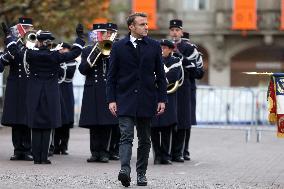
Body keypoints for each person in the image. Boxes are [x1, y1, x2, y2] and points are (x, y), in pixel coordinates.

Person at [5, 25, 85, 164]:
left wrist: (8, 36)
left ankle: (36, 158)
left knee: (35, 125)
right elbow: (75, 53)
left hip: (34, 93)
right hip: (51, 93)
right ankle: (44, 157)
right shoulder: (55, 56)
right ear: (49, 43)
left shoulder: (30, 54)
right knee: (48, 124)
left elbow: (14, 50)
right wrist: (79, 37)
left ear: (39, 42)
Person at [106, 12, 167, 187]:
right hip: (124, 99)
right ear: (131, 27)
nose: (146, 27)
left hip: (147, 99)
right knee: (126, 136)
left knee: (145, 139)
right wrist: (111, 99)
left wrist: (162, 99)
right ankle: (125, 170)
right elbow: (111, 77)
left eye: (146, 24)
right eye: (142, 24)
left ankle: (141, 173)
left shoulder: (154, 46)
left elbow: (161, 76)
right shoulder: (118, 47)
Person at [79, 23, 118, 163]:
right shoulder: (87, 50)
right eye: (99, 34)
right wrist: (96, 52)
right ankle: (94, 152)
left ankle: (105, 152)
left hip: (106, 90)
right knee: (94, 123)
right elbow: (83, 69)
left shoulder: (112, 50)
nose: (101, 36)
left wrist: (106, 53)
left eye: (103, 33)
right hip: (92, 90)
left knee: (106, 123)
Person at [168, 19, 204, 162]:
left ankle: (182, 151)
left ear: (181, 32)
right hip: (170, 89)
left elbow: (198, 72)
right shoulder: (165, 46)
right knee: (170, 121)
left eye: (177, 30)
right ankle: (169, 151)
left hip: (185, 89)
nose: (175, 32)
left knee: (184, 121)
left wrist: (181, 57)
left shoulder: (189, 48)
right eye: (172, 30)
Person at [1, 17, 34, 161]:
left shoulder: (32, 42)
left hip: (28, 85)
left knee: (26, 118)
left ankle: (26, 149)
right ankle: (17, 149)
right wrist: (9, 39)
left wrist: (10, 39)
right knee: (15, 118)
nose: (26, 31)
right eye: (23, 28)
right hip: (15, 86)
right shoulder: (12, 45)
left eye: (27, 28)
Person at [151, 39, 182, 165]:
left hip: (168, 97)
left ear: (170, 49)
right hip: (153, 97)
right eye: (161, 47)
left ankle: (166, 155)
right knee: (153, 129)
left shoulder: (175, 61)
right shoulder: (152, 60)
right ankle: (157, 156)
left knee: (166, 128)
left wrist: (158, 80)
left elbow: (174, 76)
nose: (162, 50)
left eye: (165, 48)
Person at [182, 31, 204, 161]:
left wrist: (189, 65)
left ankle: (185, 149)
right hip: (174, 90)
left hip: (188, 89)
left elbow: (200, 73)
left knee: (187, 121)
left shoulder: (193, 53)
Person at [53, 42, 77, 155]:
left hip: (66, 92)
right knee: (57, 119)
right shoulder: (56, 60)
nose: (62, 51)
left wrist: (58, 63)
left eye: (65, 49)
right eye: (60, 49)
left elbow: (67, 74)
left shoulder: (71, 61)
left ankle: (64, 146)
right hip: (57, 91)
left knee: (66, 121)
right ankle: (55, 145)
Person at [106, 22, 120, 161]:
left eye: (111, 32)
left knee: (117, 123)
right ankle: (107, 148)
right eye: (107, 32)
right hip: (108, 86)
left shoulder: (119, 45)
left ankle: (115, 149)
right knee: (107, 122)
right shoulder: (102, 45)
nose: (109, 34)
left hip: (118, 87)